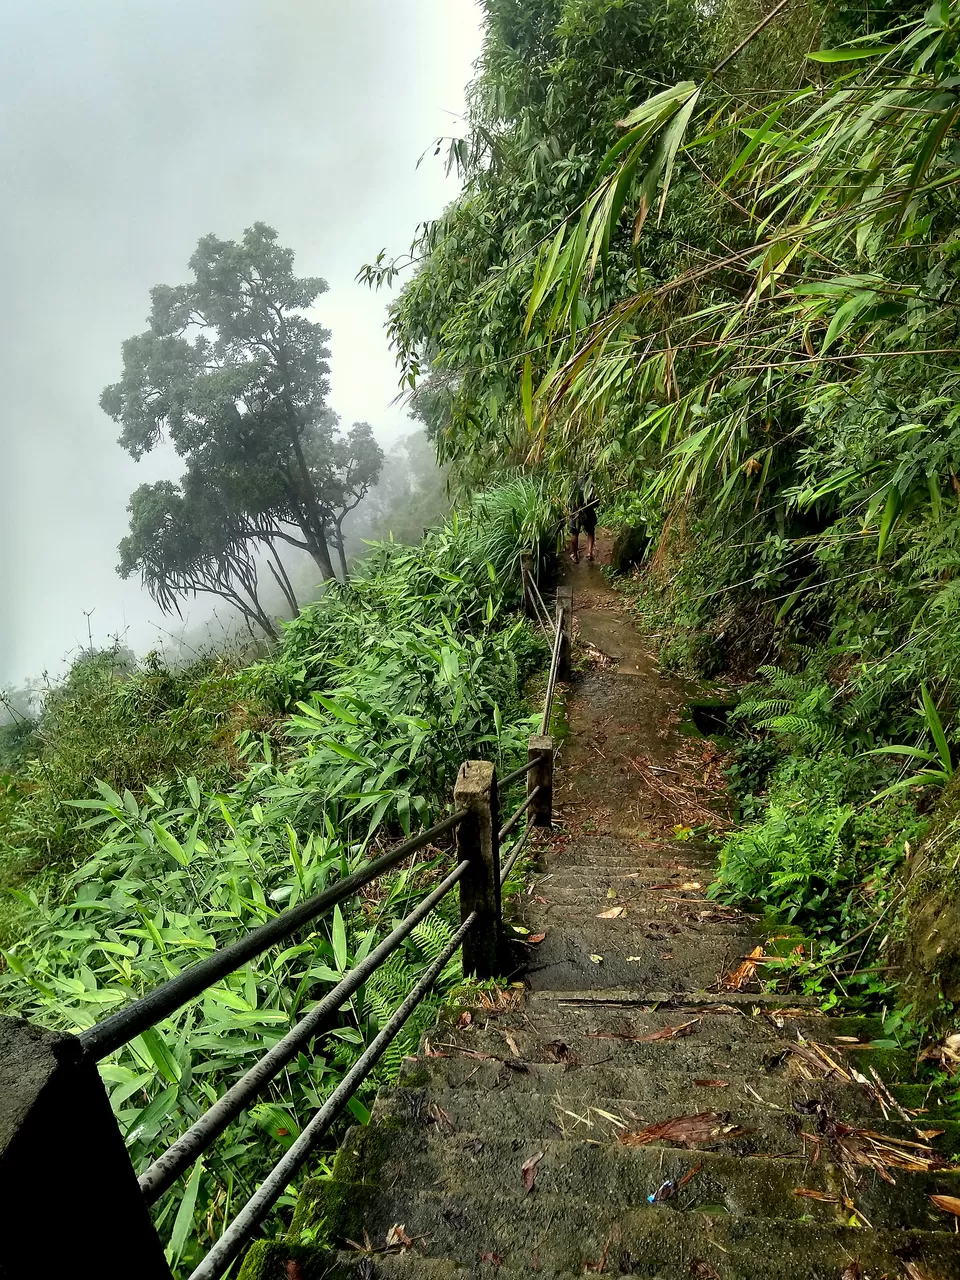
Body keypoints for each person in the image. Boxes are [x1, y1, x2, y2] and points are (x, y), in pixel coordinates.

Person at [568, 472, 599, 564]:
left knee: (575, 533)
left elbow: (570, 499)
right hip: (588, 512)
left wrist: (571, 508)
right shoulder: (591, 485)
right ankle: (590, 553)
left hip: (575, 511)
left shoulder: (574, 484)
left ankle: (574, 555)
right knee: (590, 531)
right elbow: (596, 502)